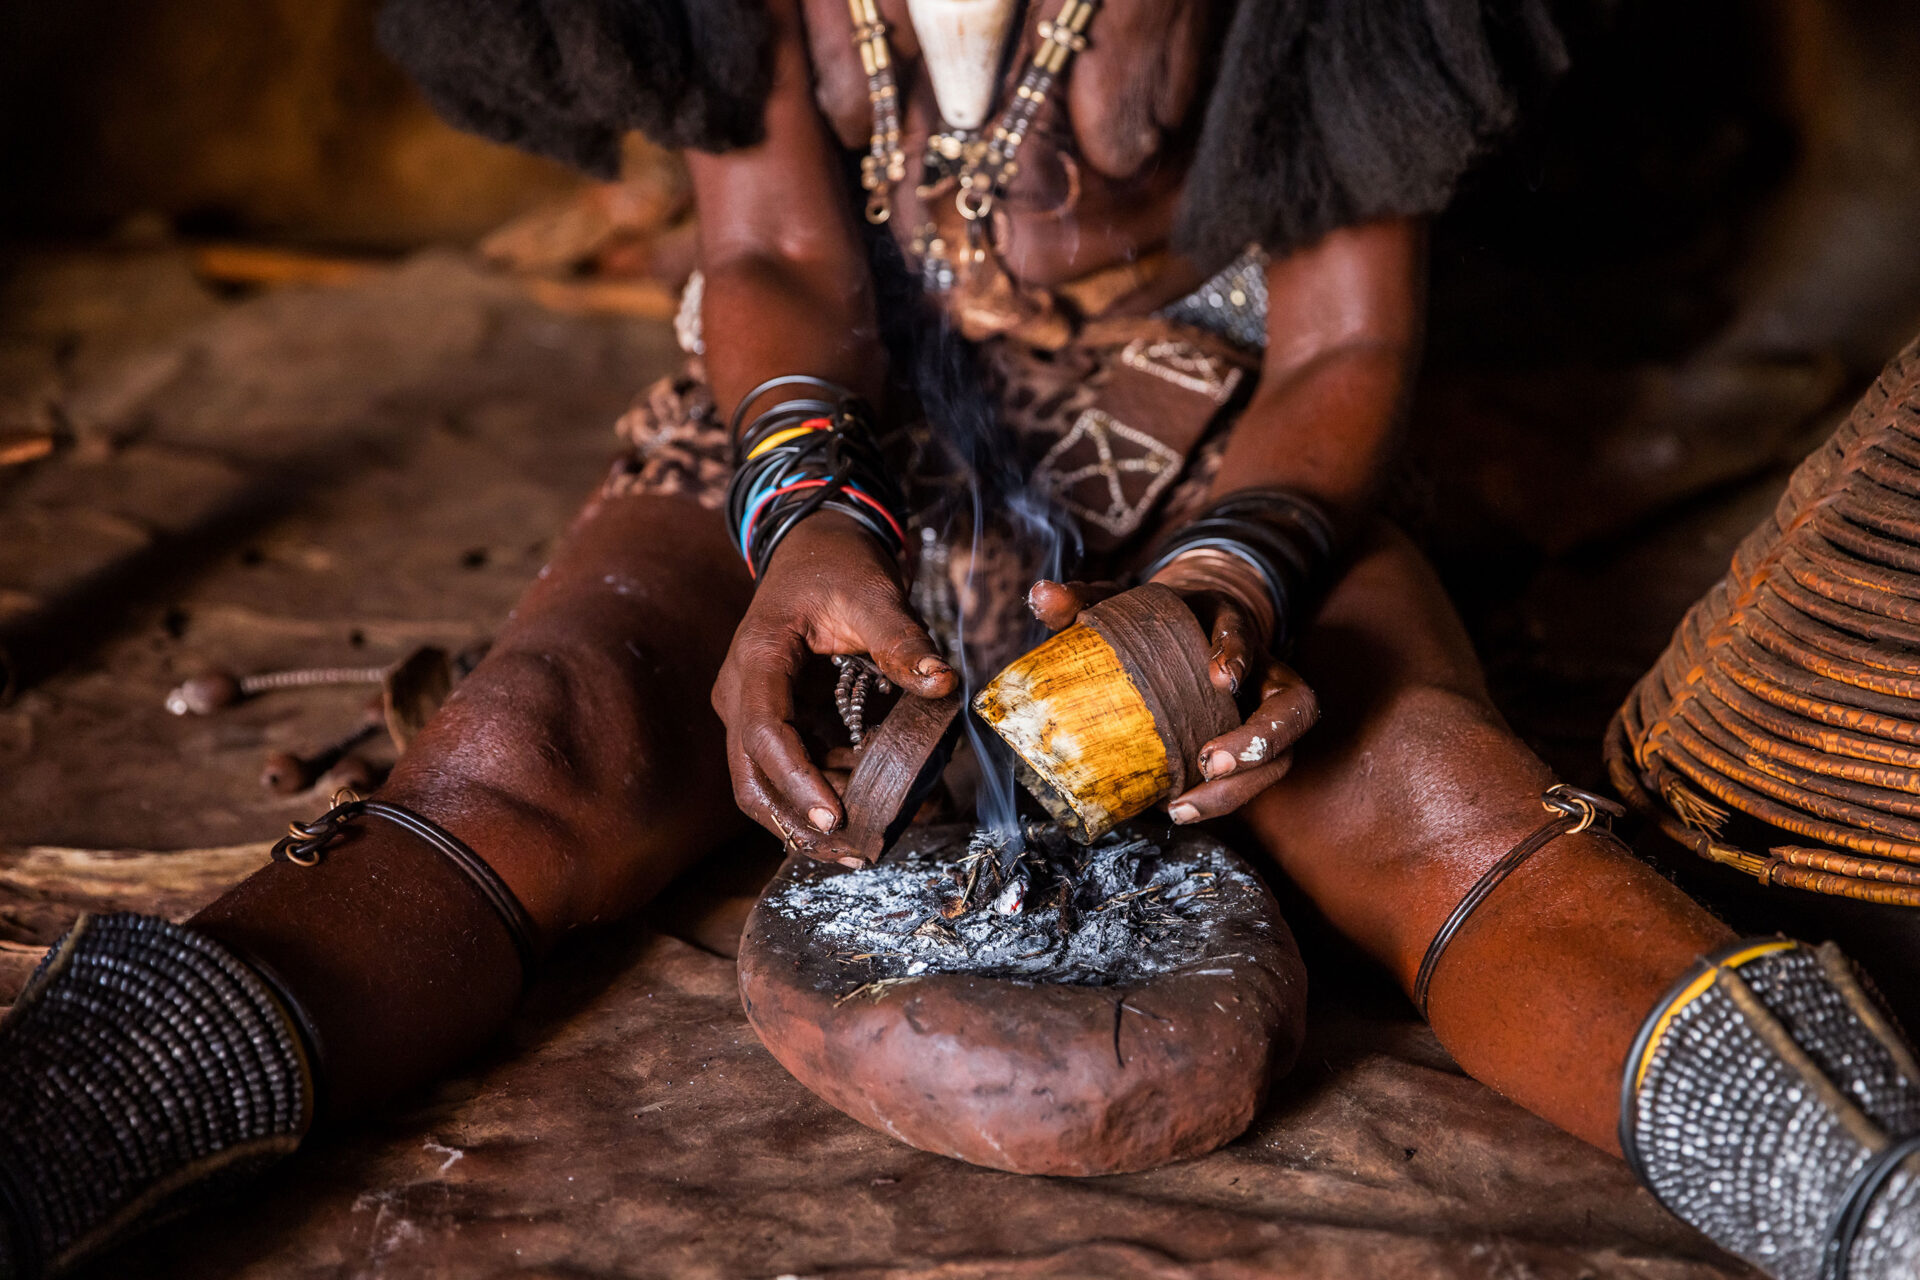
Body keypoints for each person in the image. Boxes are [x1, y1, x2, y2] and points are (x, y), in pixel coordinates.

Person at [1, 3, 1913, 1278]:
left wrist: (1238, 579)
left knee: (1430, 790)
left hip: (1215, 424)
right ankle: (56, 1127)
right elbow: (766, 258)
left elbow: (1345, 346)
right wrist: (803, 508)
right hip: (818, 416)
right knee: (534, 742)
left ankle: (1869, 1188)